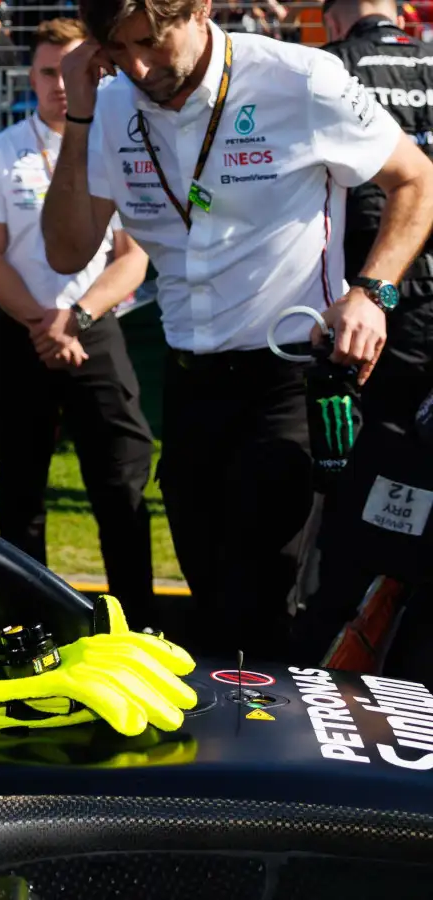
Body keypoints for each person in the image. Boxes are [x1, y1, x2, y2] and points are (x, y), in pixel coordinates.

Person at [41, 0, 433, 655]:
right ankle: (236, 743)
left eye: (150, 42)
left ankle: (273, 750)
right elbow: (64, 250)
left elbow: (417, 180)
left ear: (200, 9)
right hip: (190, 384)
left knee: (262, 601)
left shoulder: (300, 78)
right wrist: (79, 116)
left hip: (287, 377)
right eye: (119, 49)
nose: (138, 66)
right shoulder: (110, 104)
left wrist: (371, 291)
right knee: (213, 597)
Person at [0, 18, 156, 614]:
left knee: (121, 483)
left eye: (74, 71)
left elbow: (134, 256)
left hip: (94, 330)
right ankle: (28, 621)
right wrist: (44, 323)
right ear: (32, 76)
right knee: (20, 491)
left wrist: (76, 315)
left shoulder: (120, 143)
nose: (61, 85)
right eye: (49, 72)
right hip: (21, 334)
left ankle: (139, 626)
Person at [290, 0, 433, 665]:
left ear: (333, 17)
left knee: (354, 532)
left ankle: (330, 682)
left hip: (376, 329)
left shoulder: (329, 68)